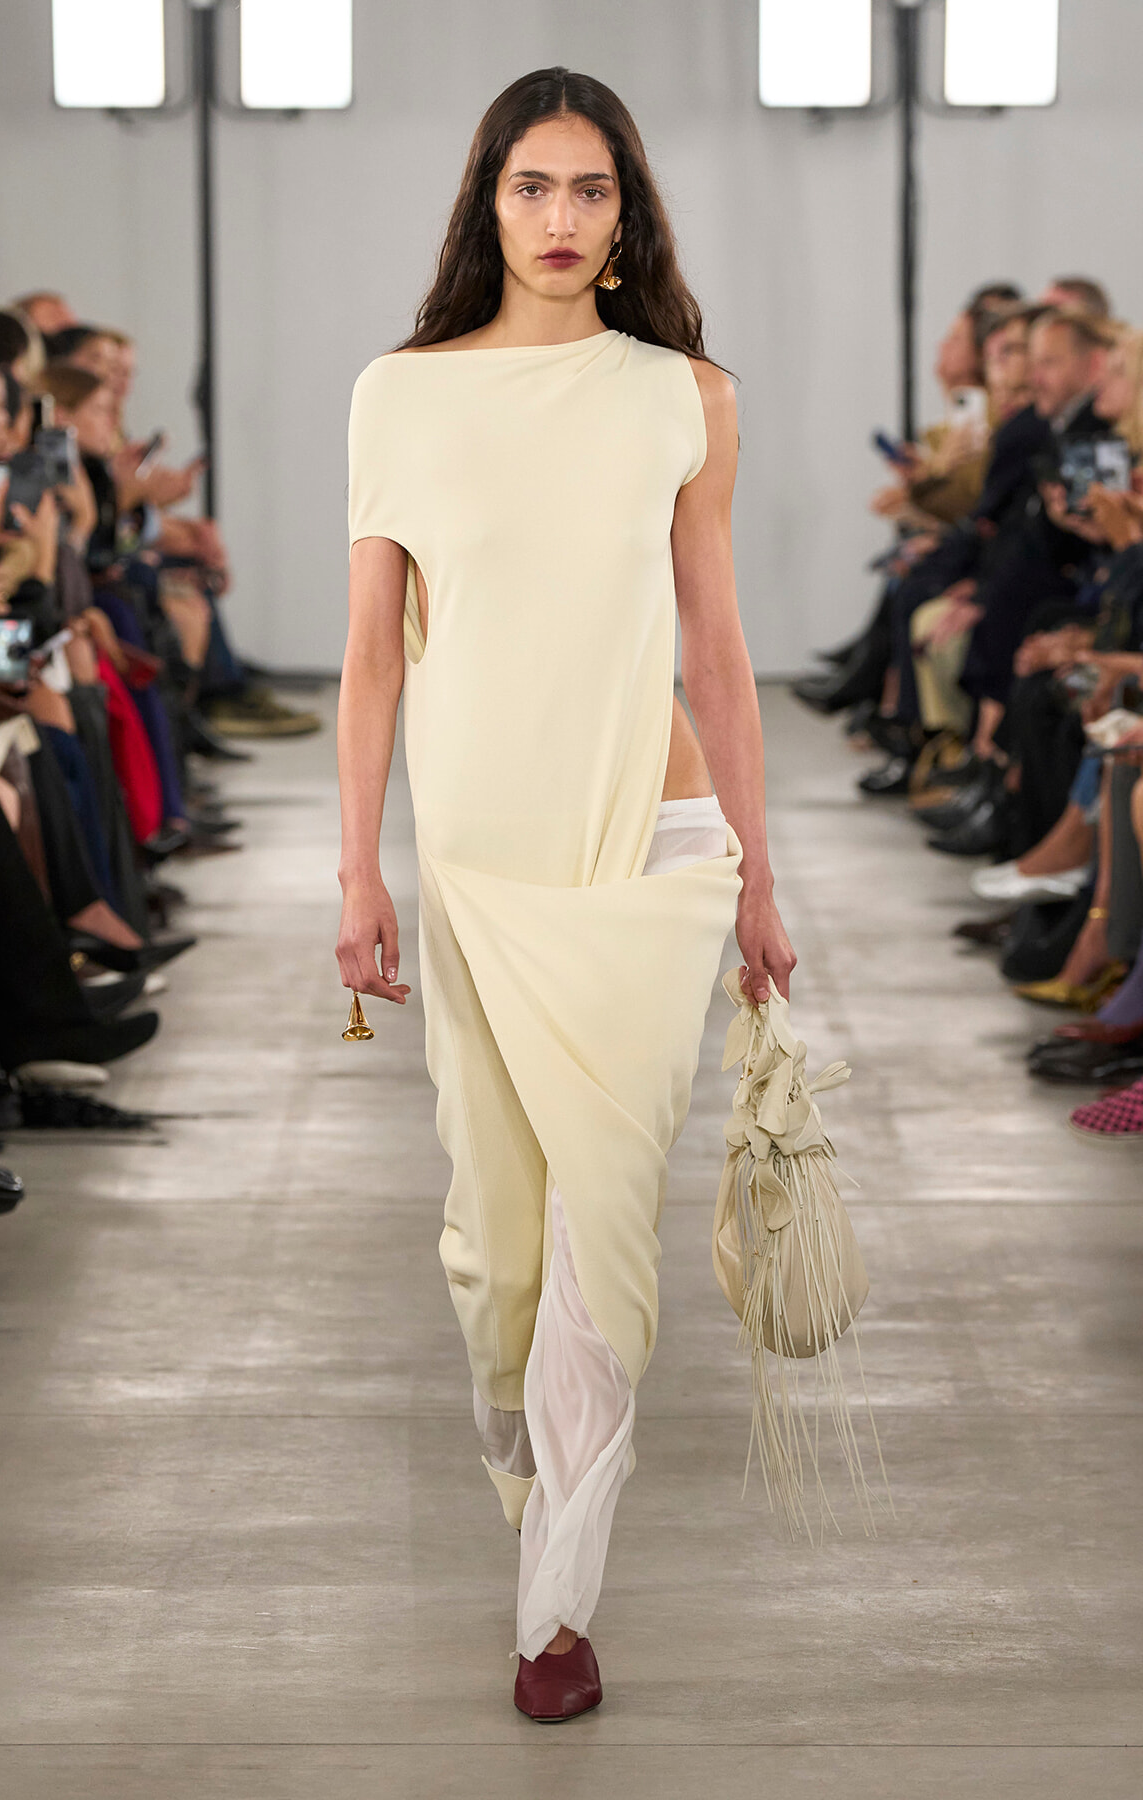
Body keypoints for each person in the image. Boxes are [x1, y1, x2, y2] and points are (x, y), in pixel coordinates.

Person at [335, 67, 795, 1723]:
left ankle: (557, 1615)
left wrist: (755, 875)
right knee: (500, 1255)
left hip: (653, 854)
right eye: (531, 188)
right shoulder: (402, 394)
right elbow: (372, 657)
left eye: (590, 190)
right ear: (488, 204)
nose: (558, 219)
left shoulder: (685, 392)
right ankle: (537, 1512)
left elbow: (721, 654)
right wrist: (355, 867)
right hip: (475, 867)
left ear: (627, 214)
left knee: (605, 1227)